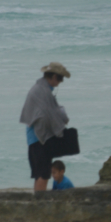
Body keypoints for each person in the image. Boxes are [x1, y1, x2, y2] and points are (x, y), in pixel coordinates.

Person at [20, 62, 71, 192]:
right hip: (39, 138)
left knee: (39, 174)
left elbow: (47, 112)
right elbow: (47, 116)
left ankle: (37, 202)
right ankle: (39, 203)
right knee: (43, 174)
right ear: (53, 76)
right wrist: (61, 120)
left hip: (34, 137)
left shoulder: (40, 88)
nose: (61, 82)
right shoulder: (43, 91)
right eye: (60, 78)